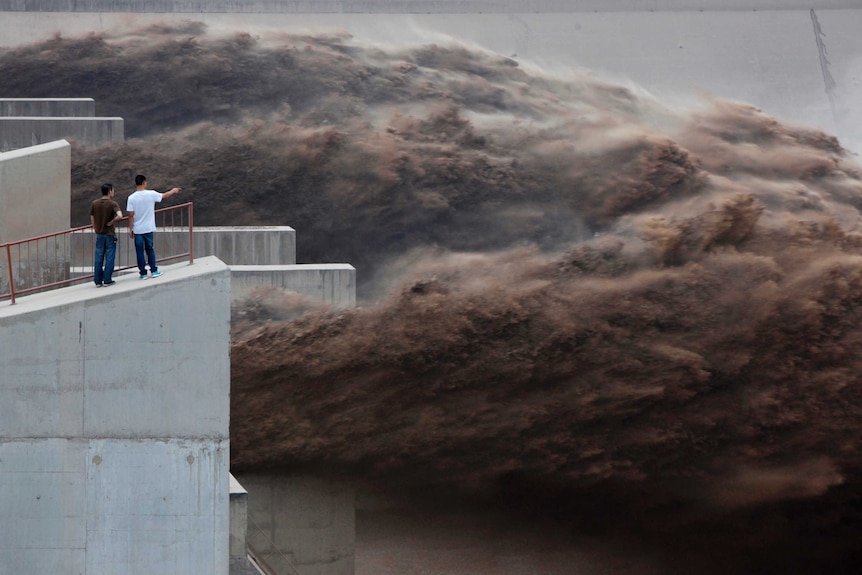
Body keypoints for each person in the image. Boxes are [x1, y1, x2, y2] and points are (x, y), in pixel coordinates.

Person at [126, 174, 181, 279]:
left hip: (137, 229)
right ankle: (154, 270)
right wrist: (173, 191)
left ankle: (143, 273)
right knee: (150, 249)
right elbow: (164, 196)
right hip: (149, 227)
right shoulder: (151, 194)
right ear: (144, 182)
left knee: (139, 252)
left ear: (136, 183)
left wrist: (130, 228)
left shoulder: (131, 198)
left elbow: (130, 215)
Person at [90, 183, 123, 287]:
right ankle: (107, 279)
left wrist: (95, 227)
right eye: (113, 190)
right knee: (109, 257)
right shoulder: (113, 204)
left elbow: (92, 216)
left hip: (99, 234)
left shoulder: (94, 203)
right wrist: (112, 222)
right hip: (109, 234)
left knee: (98, 257)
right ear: (110, 191)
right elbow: (120, 216)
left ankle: (98, 280)